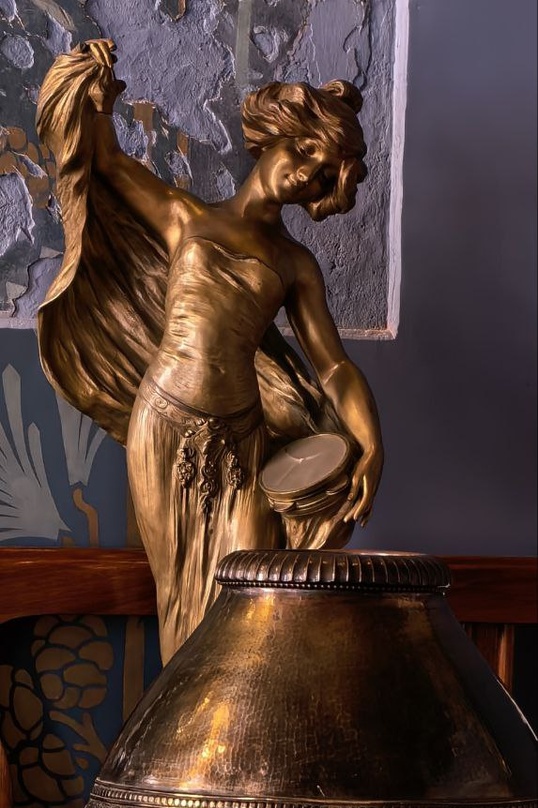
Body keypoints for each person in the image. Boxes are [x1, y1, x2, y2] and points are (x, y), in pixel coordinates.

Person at [37, 40, 383, 663]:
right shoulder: (184, 217)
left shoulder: (295, 264)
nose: (306, 172)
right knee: (180, 594)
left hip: (242, 435)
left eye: (323, 171)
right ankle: (182, 726)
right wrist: (98, 91)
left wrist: (371, 441)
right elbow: (106, 160)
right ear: (274, 136)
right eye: (305, 150)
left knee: (248, 597)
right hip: (165, 426)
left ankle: (235, 723)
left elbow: (333, 367)